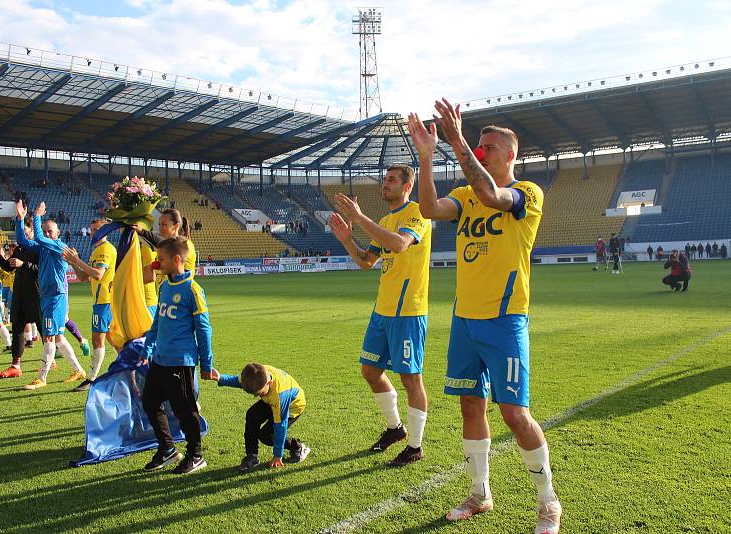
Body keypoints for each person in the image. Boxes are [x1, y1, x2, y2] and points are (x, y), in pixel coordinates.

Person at [408, 105, 561, 533]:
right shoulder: (462, 195)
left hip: (505, 318)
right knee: (470, 406)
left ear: (510, 154)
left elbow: (494, 196)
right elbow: (429, 209)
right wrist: (425, 156)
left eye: (488, 147)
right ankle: (480, 493)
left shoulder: (528, 193)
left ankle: (548, 502)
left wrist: (456, 142)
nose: (480, 151)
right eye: (478, 145)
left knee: (515, 413)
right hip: (465, 319)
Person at [330, 164, 432, 467]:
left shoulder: (418, 212)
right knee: (370, 371)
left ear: (407, 185)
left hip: (408, 311)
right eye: (384, 180)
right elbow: (367, 262)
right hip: (383, 309)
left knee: (411, 379)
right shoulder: (386, 219)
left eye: (391, 180)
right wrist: (348, 239)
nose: (385, 184)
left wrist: (359, 218)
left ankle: (415, 446)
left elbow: (400, 244)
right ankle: (395, 428)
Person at [141, 236, 213, 474]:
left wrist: (206, 363)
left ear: (176, 259)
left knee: (185, 409)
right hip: (159, 359)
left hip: (180, 360)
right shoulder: (164, 286)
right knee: (150, 401)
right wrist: (147, 347)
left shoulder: (192, 289)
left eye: (161, 259)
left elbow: (203, 329)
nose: (157, 262)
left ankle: (196, 454)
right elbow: (157, 322)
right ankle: (168, 449)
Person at [14, 200, 86, 390]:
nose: (46, 234)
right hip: (47, 297)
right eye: (45, 231)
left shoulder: (58, 246)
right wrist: (20, 219)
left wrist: (37, 216)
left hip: (55, 297)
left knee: (48, 338)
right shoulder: (43, 248)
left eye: (50, 231)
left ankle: (42, 377)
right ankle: (79, 370)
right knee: (59, 338)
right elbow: (23, 241)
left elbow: (37, 236)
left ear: (58, 234)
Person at [212, 363, 310, 472]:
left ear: (269, 382)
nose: (258, 396)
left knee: (266, 436)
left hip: (293, 407)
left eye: (260, 393)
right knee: (252, 415)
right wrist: (221, 378)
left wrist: (278, 455)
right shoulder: (258, 372)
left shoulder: (280, 396)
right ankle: (252, 456)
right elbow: (243, 382)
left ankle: (298, 447)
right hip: (271, 400)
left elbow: (280, 427)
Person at [63, 218, 117, 392]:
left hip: (105, 301)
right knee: (112, 339)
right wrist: (74, 262)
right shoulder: (97, 251)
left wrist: (77, 261)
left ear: (106, 232)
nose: (93, 233)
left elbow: (99, 274)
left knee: (97, 339)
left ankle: (91, 379)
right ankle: (128, 370)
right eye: (92, 230)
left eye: (97, 230)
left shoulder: (105, 250)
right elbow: (83, 277)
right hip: (101, 301)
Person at [0, 222, 42, 378]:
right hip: (19, 296)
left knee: (44, 330)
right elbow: (9, 267)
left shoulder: (39, 247)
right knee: (17, 329)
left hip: (36, 295)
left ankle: (50, 359)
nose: (23, 236)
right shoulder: (19, 249)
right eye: (21, 233)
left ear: (32, 231)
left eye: (25, 232)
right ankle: (15, 366)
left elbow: (42, 270)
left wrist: (24, 264)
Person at [133, 208, 196, 291]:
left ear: (176, 226)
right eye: (159, 224)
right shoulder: (162, 246)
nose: (160, 228)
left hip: (181, 296)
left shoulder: (185, 245)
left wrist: (142, 231)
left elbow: (169, 247)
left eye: (164, 225)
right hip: (165, 296)